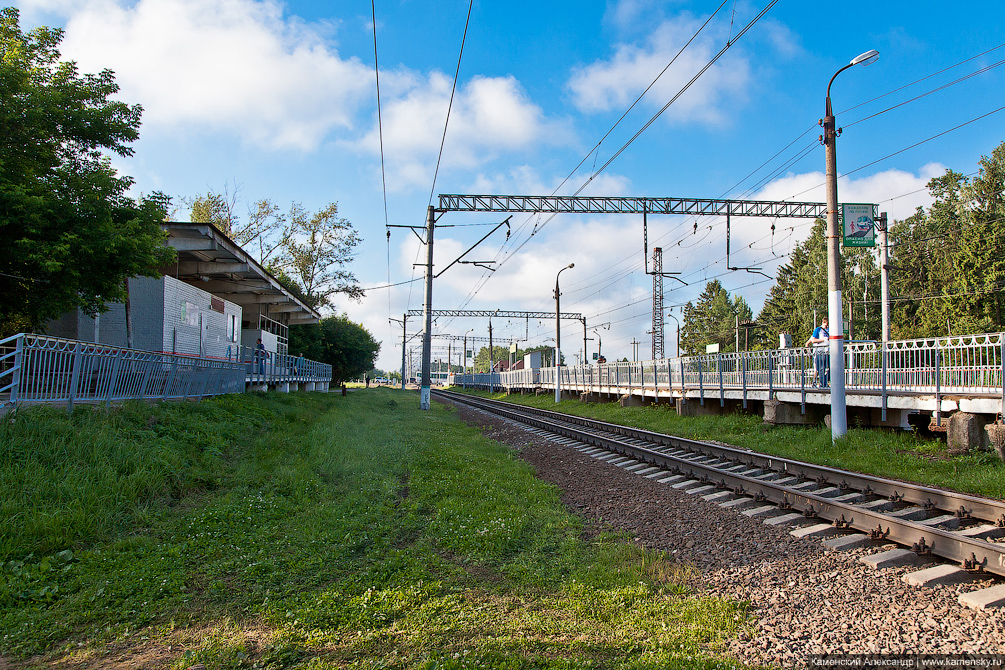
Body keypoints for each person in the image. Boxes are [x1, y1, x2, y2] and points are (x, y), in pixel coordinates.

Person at [805, 318, 829, 387]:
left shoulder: (829, 330)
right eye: (826, 325)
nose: (826, 327)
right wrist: (809, 353)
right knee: (818, 369)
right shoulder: (818, 331)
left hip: (827, 351)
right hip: (818, 352)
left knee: (826, 368)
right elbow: (809, 342)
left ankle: (824, 382)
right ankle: (816, 382)